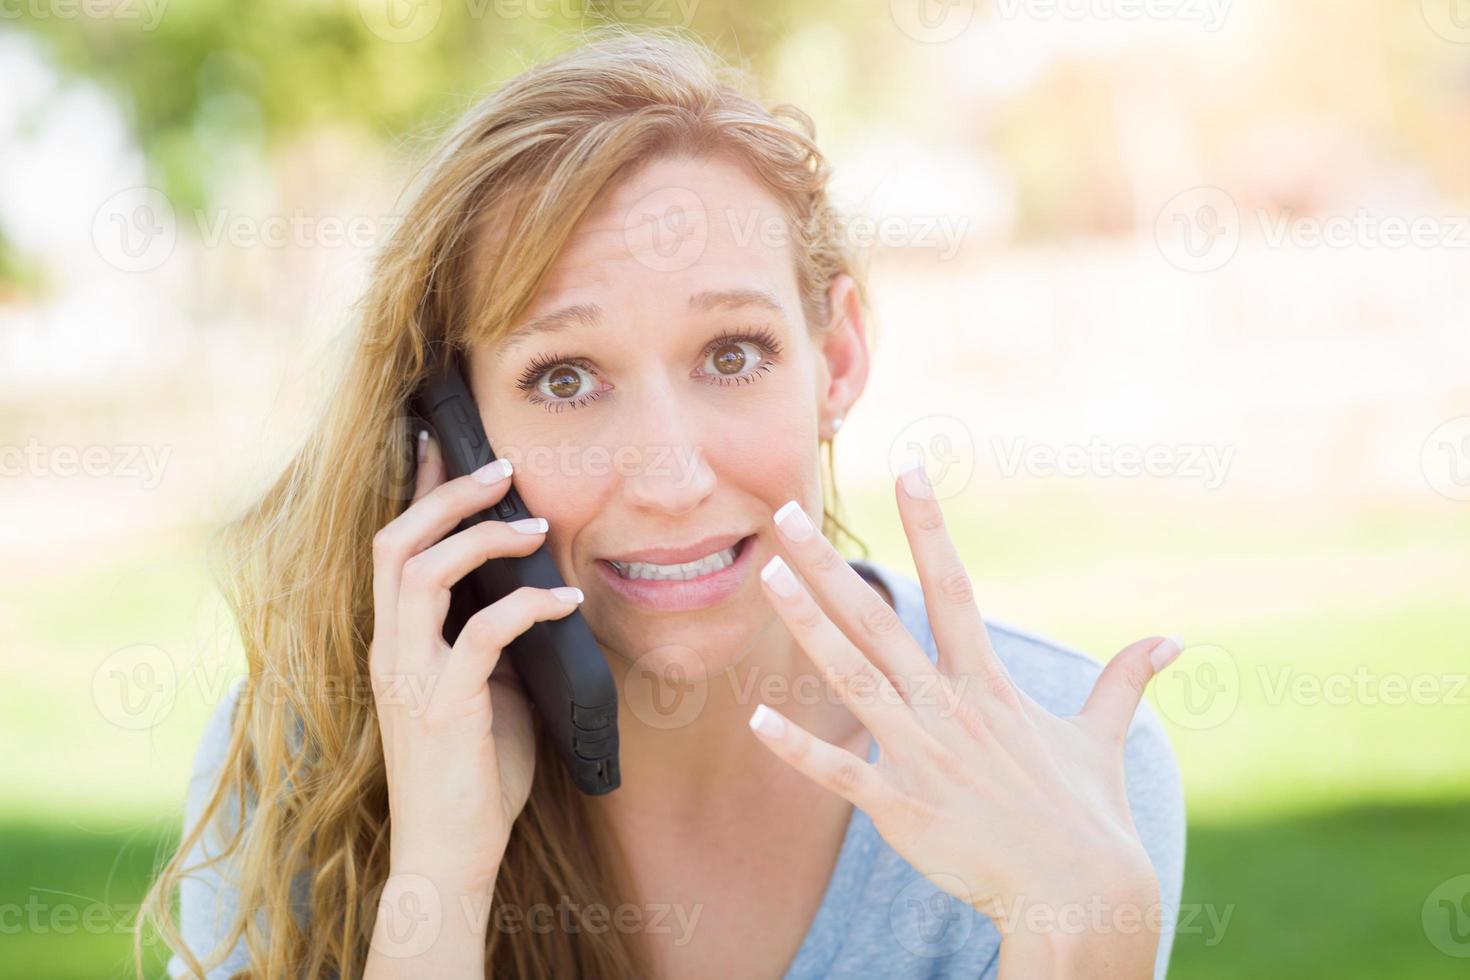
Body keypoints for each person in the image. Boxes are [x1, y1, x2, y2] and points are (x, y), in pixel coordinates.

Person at [144, 27, 1186, 980]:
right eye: (564, 378)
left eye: (731, 354)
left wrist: (1086, 931)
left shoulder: (1063, 769)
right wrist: (438, 877)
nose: (672, 475)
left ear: (837, 356)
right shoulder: (305, 761)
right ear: (450, 429)